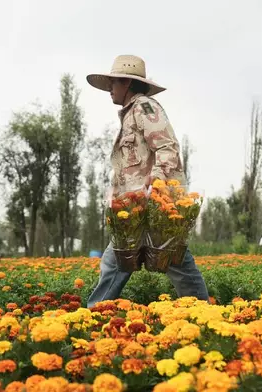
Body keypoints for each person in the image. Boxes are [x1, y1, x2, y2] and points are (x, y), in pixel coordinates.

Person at [85, 54, 209, 308]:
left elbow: (167, 147)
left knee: (174, 261)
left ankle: (204, 313)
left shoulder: (144, 108)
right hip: (136, 208)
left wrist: (156, 186)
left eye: (113, 83)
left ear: (127, 84)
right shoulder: (130, 114)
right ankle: (96, 312)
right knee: (120, 260)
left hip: (153, 204)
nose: (110, 88)